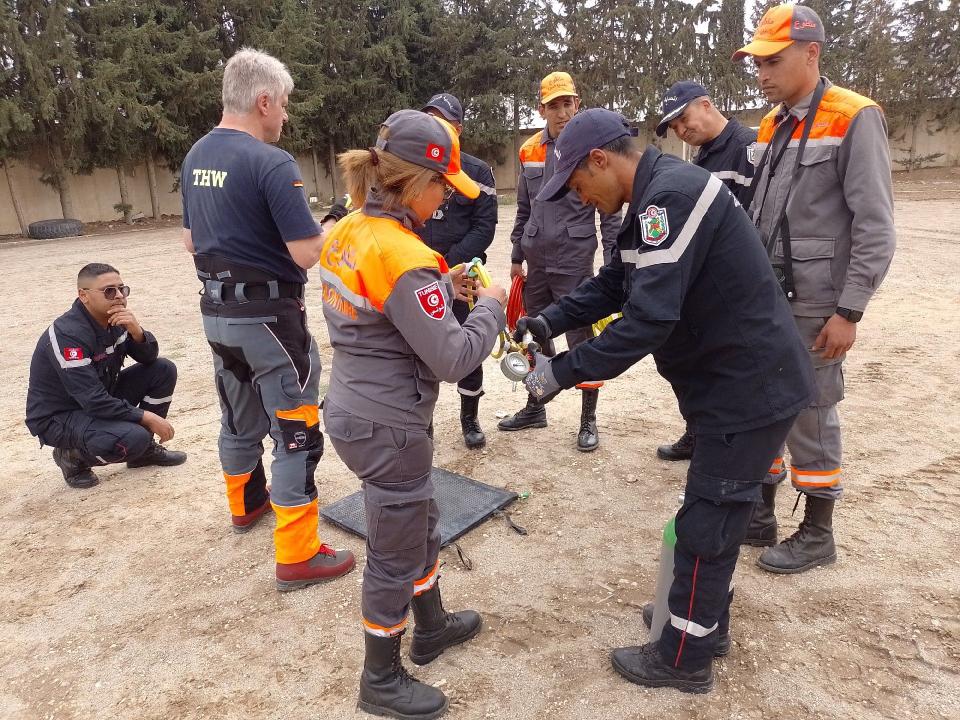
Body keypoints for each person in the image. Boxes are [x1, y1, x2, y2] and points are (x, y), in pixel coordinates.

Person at [515, 108, 815, 692]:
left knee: (707, 520)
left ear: (601, 160)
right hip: (733, 385)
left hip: (745, 387)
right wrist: (547, 320)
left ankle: (683, 658)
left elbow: (648, 318)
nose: (582, 200)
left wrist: (557, 375)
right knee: (719, 515)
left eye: (580, 186)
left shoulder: (669, 199)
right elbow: (614, 285)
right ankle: (702, 626)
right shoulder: (649, 201)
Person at [319, 109, 506, 720]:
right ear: (413, 182)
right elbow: (453, 356)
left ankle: (432, 625)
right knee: (395, 549)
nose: (447, 198)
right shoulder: (403, 253)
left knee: (418, 516)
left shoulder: (348, 229)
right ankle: (380, 677)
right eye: (443, 187)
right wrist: (492, 308)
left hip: (354, 406)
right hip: (391, 425)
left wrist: (439, 289)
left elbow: (382, 309)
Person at [180, 48, 354, 592]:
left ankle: (246, 505)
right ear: (263, 100)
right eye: (283, 105)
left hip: (216, 315)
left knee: (237, 418)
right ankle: (298, 555)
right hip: (271, 321)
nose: (285, 116)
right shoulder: (271, 162)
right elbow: (306, 253)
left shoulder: (195, 156)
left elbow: (190, 239)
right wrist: (334, 227)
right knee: (296, 429)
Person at [732, 4, 896, 569]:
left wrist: (849, 309)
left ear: (812, 52)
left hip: (819, 301)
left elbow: (875, 225)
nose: (761, 73)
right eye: (756, 63)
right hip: (768, 294)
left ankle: (818, 531)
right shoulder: (773, 123)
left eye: (772, 61)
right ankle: (761, 513)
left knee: (811, 407)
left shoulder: (854, 116)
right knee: (763, 401)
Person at [498, 71, 621, 452]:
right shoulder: (529, 149)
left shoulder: (590, 147)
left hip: (574, 258)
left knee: (581, 339)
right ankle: (536, 405)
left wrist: (615, 263)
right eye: (554, 105)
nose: (562, 111)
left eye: (568, 103)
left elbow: (611, 210)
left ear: (577, 103)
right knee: (534, 334)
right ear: (542, 109)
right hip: (536, 259)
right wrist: (517, 254)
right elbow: (523, 207)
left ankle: (588, 419)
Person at [653, 80, 758, 462]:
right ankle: (698, 432)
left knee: (731, 372)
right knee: (692, 363)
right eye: (675, 127)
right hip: (705, 281)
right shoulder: (702, 158)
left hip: (736, 283)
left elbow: (754, 223)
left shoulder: (749, 148)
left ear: (707, 104)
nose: (682, 130)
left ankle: (734, 447)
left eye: (683, 119)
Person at [26, 263, 186, 489]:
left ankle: (143, 453)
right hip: (60, 416)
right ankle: (72, 457)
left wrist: (136, 331)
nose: (119, 296)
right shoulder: (68, 335)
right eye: (109, 291)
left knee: (163, 369)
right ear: (84, 296)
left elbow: (149, 358)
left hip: (97, 398)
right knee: (134, 437)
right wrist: (146, 417)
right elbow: (92, 400)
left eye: (123, 289)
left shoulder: (115, 320)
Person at [415, 92, 498, 449]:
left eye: (443, 122)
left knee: (468, 342)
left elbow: (485, 227)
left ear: (458, 129)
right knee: (420, 347)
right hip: (417, 272)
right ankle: (423, 423)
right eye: (428, 121)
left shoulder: (477, 172)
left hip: (462, 274)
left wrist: (448, 267)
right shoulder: (413, 168)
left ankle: (469, 418)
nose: (435, 129)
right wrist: (423, 267)